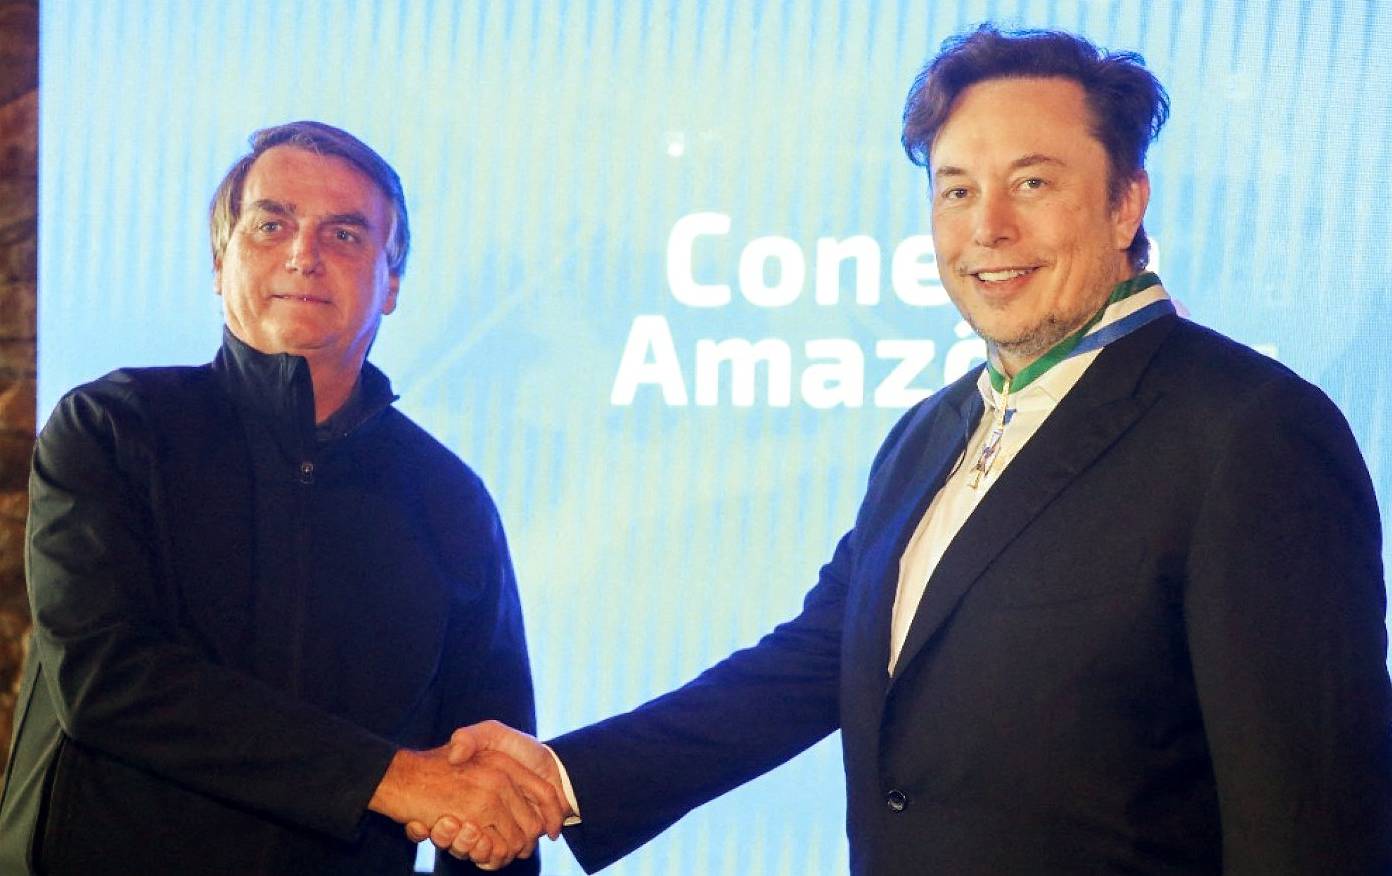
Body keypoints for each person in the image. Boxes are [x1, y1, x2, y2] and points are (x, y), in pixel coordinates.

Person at [422, 25, 1392, 874]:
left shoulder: (1252, 430)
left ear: (1125, 203)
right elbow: (814, 661)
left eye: (1034, 182)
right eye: (956, 190)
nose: (988, 228)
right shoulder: (930, 430)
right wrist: (563, 777)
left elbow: (1310, 818)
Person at [0, 121, 563, 874]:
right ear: (219, 261)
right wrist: (395, 780)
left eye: (345, 234)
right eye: (271, 225)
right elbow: (107, 677)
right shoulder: (113, 428)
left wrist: (485, 812)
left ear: (392, 284)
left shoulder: (450, 502)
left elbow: (486, 776)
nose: (304, 254)